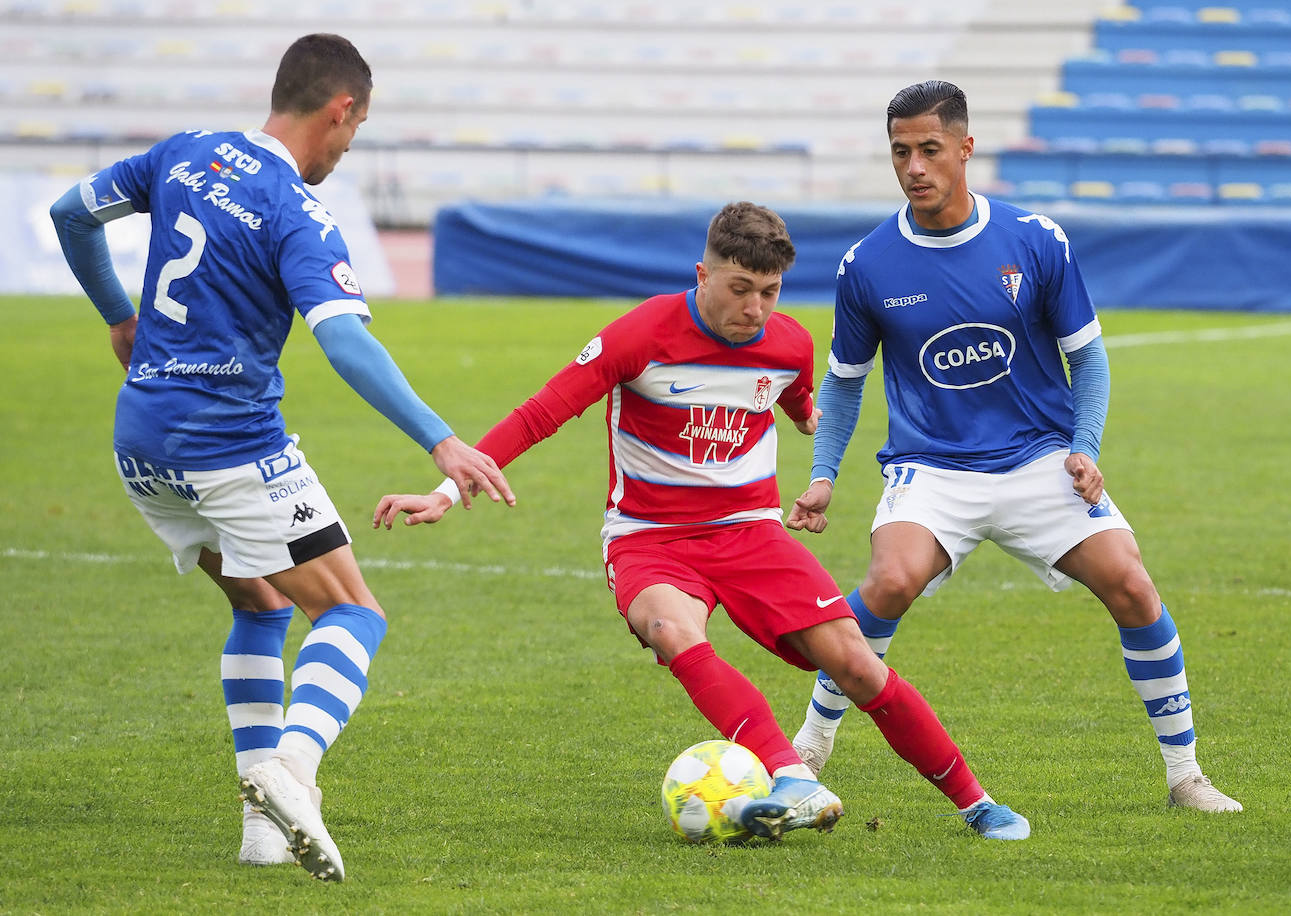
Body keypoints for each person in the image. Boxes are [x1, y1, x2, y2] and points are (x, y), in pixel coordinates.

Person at [373, 201, 1030, 841]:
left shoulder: (788, 343)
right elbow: (539, 413)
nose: (755, 309)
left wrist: (805, 423)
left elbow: (797, 395)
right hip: (649, 540)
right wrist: (446, 492)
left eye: (769, 292)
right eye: (740, 288)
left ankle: (977, 803)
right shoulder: (641, 336)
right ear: (703, 275)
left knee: (856, 663)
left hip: (752, 532)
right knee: (668, 627)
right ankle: (791, 778)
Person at [48, 33, 516, 882]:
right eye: (355, 130)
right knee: (353, 613)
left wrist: (119, 315)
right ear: (340, 110)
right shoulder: (297, 211)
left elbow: (69, 215)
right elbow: (347, 345)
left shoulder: (186, 151)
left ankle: (261, 833)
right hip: (227, 442)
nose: (346, 149)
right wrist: (442, 440)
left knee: (262, 607)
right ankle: (291, 770)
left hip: (142, 437)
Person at [784, 80, 1242, 814]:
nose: (914, 168)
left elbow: (1087, 360)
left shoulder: (1034, 239)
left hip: (1039, 458)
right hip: (931, 465)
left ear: (967, 148)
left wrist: (1084, 447)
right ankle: (807, 747)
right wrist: (824, 475)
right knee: (891, 582)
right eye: (900, 152)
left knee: (1130, 583)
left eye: (930, 149)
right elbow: (842, 383)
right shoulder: (866, 266)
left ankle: (1185, 775)